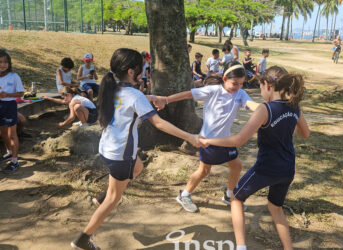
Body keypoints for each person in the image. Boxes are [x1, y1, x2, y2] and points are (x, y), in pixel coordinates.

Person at [70, 48, 202, 250]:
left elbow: (131, 100)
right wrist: (190, 137)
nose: (143, 73)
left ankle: (104, 197)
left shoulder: (111, 87)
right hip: (121, 154)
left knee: (138, 167)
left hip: (108, 148)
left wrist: (153, 96)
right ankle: (83, 239)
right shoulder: (133, 95)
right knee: (114, 198)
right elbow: (158, 123)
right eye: (141, 69)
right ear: (132, 72)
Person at [200, 66, 310, 250]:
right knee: (276, 208)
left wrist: (208, 141)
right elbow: (305, 133)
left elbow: (239, 139)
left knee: (236, 198)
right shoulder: (294, 107)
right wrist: (289, 124)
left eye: (260, 87)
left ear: (267, 85)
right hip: (287, 169)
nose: (260, 92)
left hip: (266, 169)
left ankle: (241, 247)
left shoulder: (265, 109)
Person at [155, 62, 259, 213]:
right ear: (224, 78)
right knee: (204, 171)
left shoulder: (240, 94)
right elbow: (188, 94)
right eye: (234, 83)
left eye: (241, 84)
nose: (237, 87)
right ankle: (184, 195)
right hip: (207, 141)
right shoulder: (213, 91)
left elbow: (251, 104)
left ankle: (229, 196)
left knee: (237, 166)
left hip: (226, 141)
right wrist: (166, 100)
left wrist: (265, 110)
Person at [0, 49, 25, 174]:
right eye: (0, 62)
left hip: (9, 106)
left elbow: (21, 93)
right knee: (3, 133)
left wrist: (7, 94)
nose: (3, 65)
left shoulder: (14, 76)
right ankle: (9, 152)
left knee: (11, 134)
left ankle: (15, 161)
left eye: (5, 62)